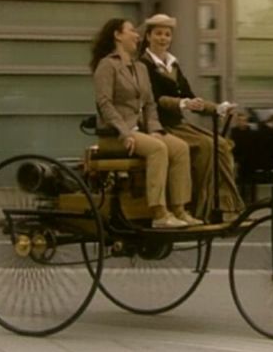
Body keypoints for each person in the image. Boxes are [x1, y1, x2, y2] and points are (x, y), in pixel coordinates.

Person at [91, 18, 201, 228]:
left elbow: (150, 104)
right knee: (158, 149)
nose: (137, 35)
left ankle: (179, 209)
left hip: (140, 130)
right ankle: (159, 213)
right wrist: (125, 132)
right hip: (114, 134)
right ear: (118, 35)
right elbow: (105, 104)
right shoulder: (107, 65)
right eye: (132, 31)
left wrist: (155, 129)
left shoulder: (140, 67)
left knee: (180, 148)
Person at [138, 13, 244, 222]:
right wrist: (182, 103)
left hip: (178, 124)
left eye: (167, 34)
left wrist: (217, 108)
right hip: (160, 126)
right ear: (148, 36)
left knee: (222, 145)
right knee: (206, 146)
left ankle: (226, 204)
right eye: (158, 33)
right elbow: (154, 99)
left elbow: (190, 96)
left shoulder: (173, 65)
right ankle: (199, 206)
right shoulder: (144, 65)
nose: (163, 38)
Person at [229, 112, 255, 202]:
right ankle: (240, 200)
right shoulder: (234, 132)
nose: (242, 122)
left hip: (249, 160)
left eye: (244, 120)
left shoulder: (250, 132)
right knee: (239, 181)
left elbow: (253, 147)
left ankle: (250, 200)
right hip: (238, 160)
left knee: (249, 182)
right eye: (240, 120)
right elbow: (232, 146)